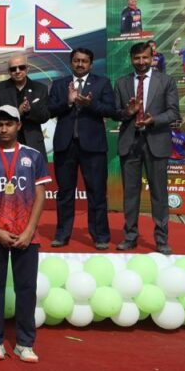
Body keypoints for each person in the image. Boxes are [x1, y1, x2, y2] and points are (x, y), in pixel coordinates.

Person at [0, 105, 50, 363]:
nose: (4, 129)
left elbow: (40, 194)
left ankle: (25, 344)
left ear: (19, 125)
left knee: (26, 289)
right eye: (0, 124)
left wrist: (29, 230)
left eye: (9, 124)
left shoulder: (33, 156)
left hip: (26, 235)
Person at [114, 41, 180, 254]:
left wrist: (154, 120)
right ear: (131, 60)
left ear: (152, 58)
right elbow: (115, 113)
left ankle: (161, 240)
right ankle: (130, 237)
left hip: (156, 142)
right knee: (130, 194)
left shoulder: (166, 81)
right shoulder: (122, 83)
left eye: (145, 57)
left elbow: (173, 113)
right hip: (130, 143)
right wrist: (127, 112)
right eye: (137, 58)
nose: (141, 62)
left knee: (159, 194)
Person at [47, 48, 115, 249]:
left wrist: (90, 104)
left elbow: (111, 110)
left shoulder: (102, 83)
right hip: (65, 145)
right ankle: (62, 235)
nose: (80, 64)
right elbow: (49, 110)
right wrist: (67, 102)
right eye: (76, 60)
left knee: (97, 193)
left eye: (84, 61)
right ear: (71, 62)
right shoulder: (59, 84)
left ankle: (100, 236)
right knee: (65, 193)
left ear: (91, 64)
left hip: (93, 147)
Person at [0, 54, 50, 161]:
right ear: (9, 71)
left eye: (21, 67)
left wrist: (29, 111)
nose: (17, 71)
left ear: (27, 68)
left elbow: (45, 116)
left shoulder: (40, 88)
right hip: (6, 143)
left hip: (33, 143)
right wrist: (18, 112)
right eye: (13, 69)